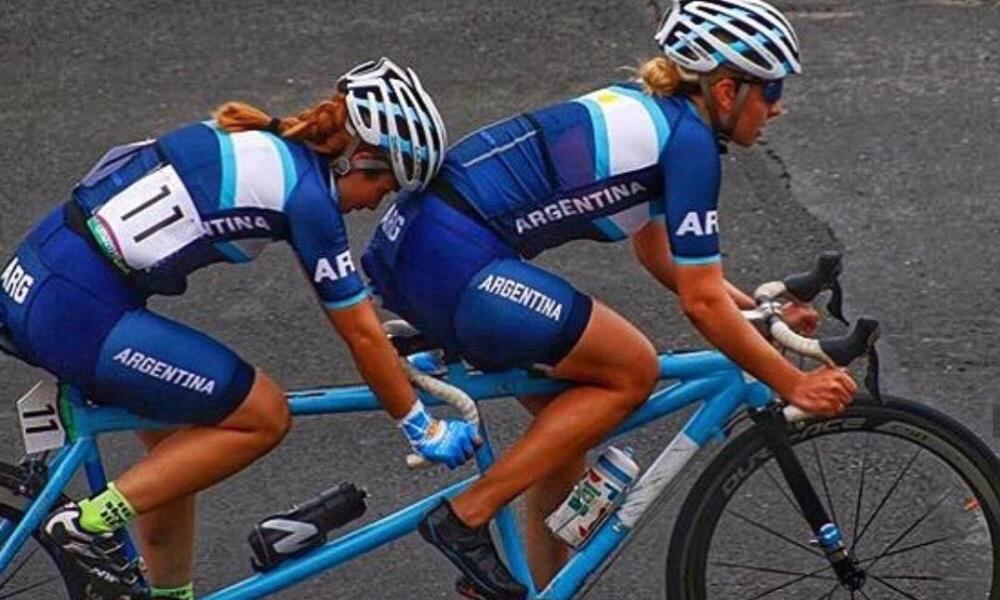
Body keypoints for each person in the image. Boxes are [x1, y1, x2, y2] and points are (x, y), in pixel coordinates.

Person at [362, 2, 858, 598]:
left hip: (419, 249)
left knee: (564, 432)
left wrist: (757, 314)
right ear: (726, 89)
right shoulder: (690, 143)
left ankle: (537, 588)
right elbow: (701, 304)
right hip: (456, 262)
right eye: (771, 88)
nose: (778, 105)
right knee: (632, 368)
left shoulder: (652, 113)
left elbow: (660, 255)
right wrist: (792, 384)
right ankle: (465, 518)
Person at [0, 58, 477, 599]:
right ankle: (87, 525)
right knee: (262, 414)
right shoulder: (308, 196)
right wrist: (420, 426)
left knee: (178, 456)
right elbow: (362, 333)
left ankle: (170, 594)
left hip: (48, 276)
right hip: (75, 306)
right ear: (358, 159)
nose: (375, 204)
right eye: (385, 186)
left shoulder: (260, 138)